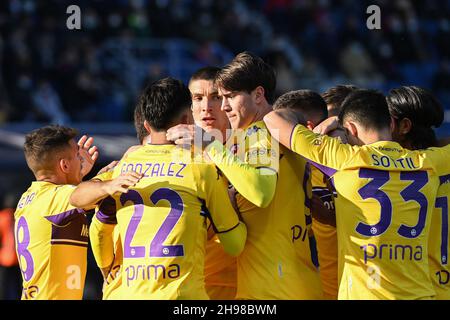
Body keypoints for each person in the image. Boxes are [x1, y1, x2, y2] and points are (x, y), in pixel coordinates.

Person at [70, 77, 247, 299]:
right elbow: (235, 244)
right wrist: (234, 202)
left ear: (146, 125)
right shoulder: (202, 167)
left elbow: (77, 199)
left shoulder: (124, 166)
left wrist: (107, 185)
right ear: (186, 119)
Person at [264, 89, 450, 299]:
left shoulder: (344, 158)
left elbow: (274, 118)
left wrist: (332, 121)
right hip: (420, 294)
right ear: (390, 124)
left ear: (350, 128)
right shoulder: (428, 162)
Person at [167, 52, 323, 299]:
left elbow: (261, 193)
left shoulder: (260, 132)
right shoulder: (274, 130)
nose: (225, 106)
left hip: (273, 288)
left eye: (229, 97)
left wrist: (209, 144)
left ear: (258, 95)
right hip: (289, 278)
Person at [14, 125, 99, 299]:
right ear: (65, 165)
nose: (82, 159)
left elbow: (72, 198)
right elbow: (91, 195)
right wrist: (112, 178)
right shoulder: (53, 198)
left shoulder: (32, 197)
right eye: (77, 155)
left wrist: (77, 177)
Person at [272, 89, 339, 300]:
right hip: (301, 288)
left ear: (307, 128)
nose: (275, 132)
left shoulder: (341, 160)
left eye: (285, 122)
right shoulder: (274, 166)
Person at [387, 86, 449, 299]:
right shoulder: (443, 159)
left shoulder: (388, 172)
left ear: (404, 126)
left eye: (387, 121)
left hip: (416, 288)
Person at [189, 66, 237, 300]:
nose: (206, 107)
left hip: (249, 289)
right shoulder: (177, 158)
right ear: (190, 107)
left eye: (216, 97)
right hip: (194, 291)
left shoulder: (254, 152)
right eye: (198, 98)